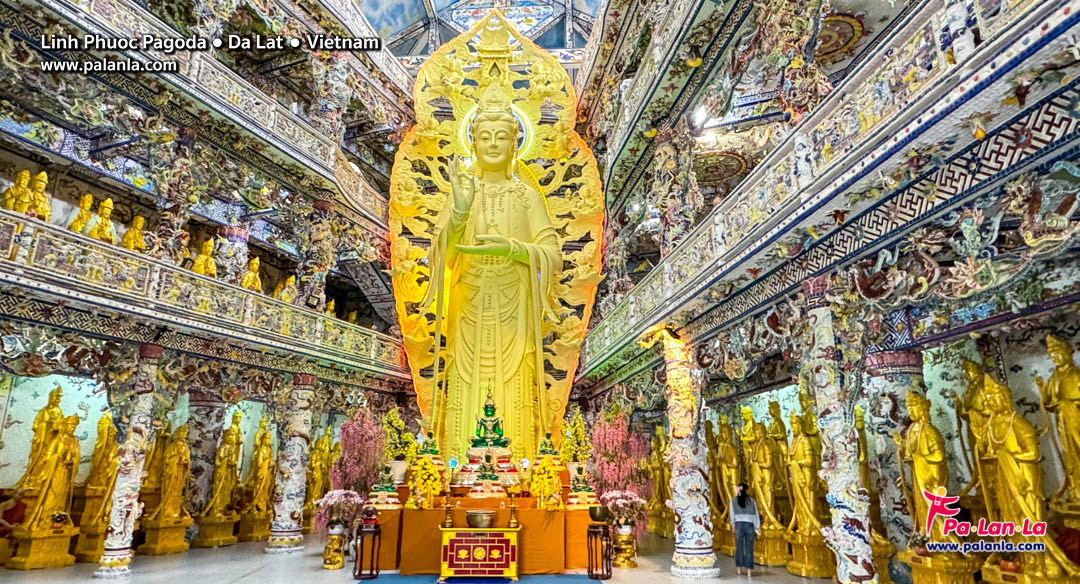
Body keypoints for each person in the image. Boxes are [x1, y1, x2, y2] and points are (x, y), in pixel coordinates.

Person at [730, 482, 760, 576]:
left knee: (739, 547)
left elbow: (732, 515)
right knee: (749, 548)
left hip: (739, 525)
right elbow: (756, 515)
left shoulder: (733, 501)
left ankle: (739, 569)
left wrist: (733, 525)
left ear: (738, 489)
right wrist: (757, 527)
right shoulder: (752, 501)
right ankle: (749, 571)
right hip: (750, 525)